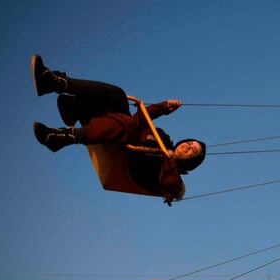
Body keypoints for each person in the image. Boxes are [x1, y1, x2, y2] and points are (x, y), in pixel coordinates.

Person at [30, 55, 206, 204]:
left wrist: (170, 160)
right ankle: (55, 82)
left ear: (191, 162)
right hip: (117, 131)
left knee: (127, 125)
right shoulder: (162, 137)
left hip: (125, 161)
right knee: (117, 95)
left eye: (193, 151)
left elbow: (170, 186)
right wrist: (164, 107)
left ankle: (63, 136)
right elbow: (138, 120)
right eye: (190, 143)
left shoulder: (175, 177)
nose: (189, 146)